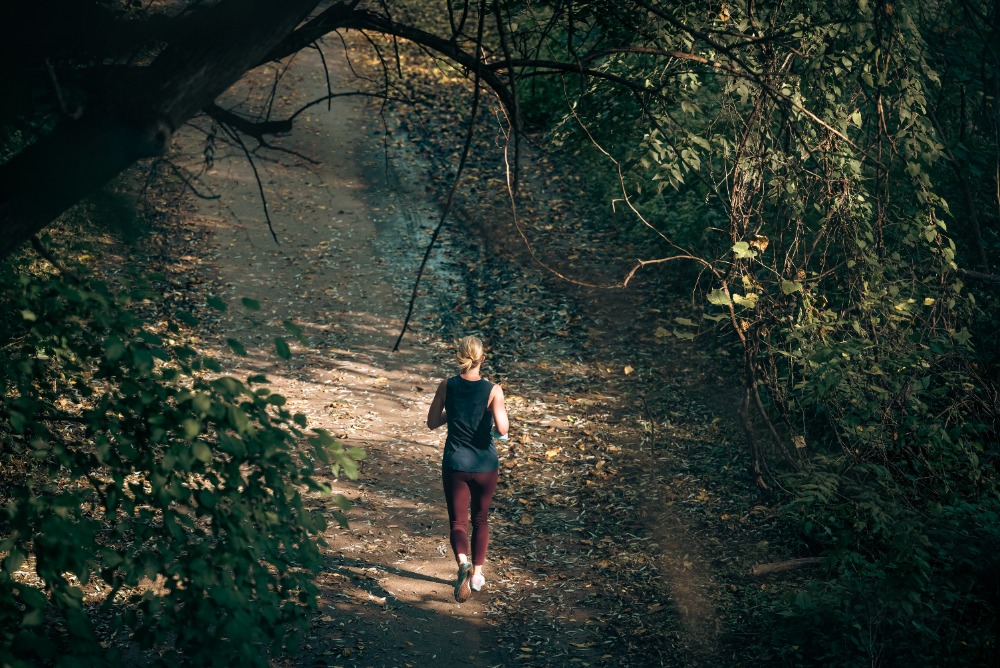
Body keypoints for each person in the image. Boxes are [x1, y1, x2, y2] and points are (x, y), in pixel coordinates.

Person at [426, 335, 509, 602]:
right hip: (485, 465)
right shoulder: (494, 390)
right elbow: (503, 428)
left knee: (458, 522)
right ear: (481, 359)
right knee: (481, 519)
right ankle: (477, 575)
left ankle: (463, 562)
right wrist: (494, 428)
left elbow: (431, 422)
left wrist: (456, 412)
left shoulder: (446, 386)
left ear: (458, 357)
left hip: (455, 464)